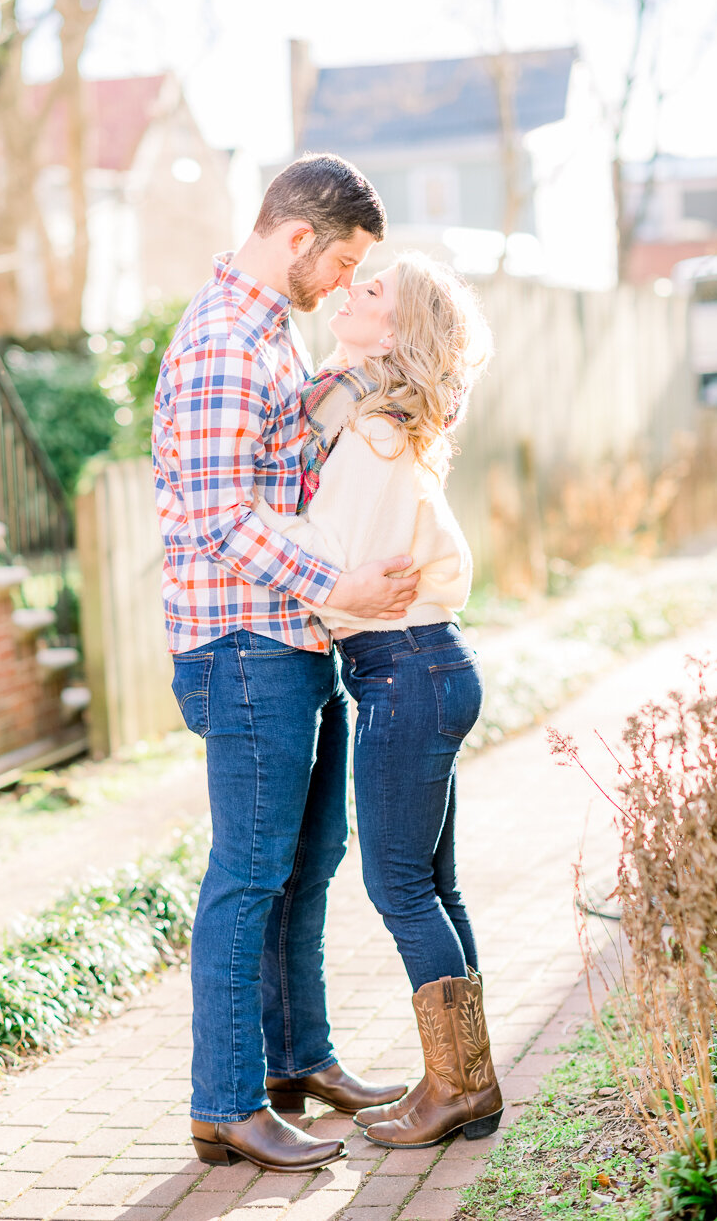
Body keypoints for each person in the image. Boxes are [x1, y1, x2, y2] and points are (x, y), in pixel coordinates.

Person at [152, 154, 419, 1174]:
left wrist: (357, 376)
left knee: (306, 865)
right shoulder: (224, 340)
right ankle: (224, 1102)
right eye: (343, 260)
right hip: (244, 644)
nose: (346, 282)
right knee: (249, 875)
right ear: (298, 238)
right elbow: (221, 517)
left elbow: (281, 452)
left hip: (287, 637)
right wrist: (339, 580)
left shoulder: (269, 334)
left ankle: (296, 1061)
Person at [254, 252, 504, 1149]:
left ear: (395, 333)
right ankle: (464, 1082)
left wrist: (239, 520)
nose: (348, 290)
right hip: (422, 667)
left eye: (371, 290)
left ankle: (458, 1089)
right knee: (431, 885)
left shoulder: (373, 436)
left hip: (404, 669)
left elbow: (334, 568)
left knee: (398, 885)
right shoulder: (377, 422)